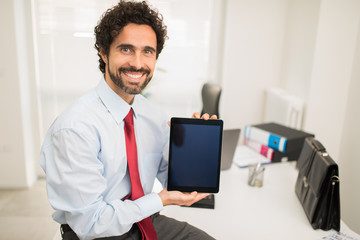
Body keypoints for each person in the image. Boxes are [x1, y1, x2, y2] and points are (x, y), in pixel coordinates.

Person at [40, 1, 217, 239]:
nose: (137, 63)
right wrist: (158, 200)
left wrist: (197, 147)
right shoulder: (74, 129)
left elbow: (173, 181)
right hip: (95, 233)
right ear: (104, 52)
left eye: (147, 51)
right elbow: (90, 223)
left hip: (143, 219)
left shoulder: (152, 115)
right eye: (126, 49)